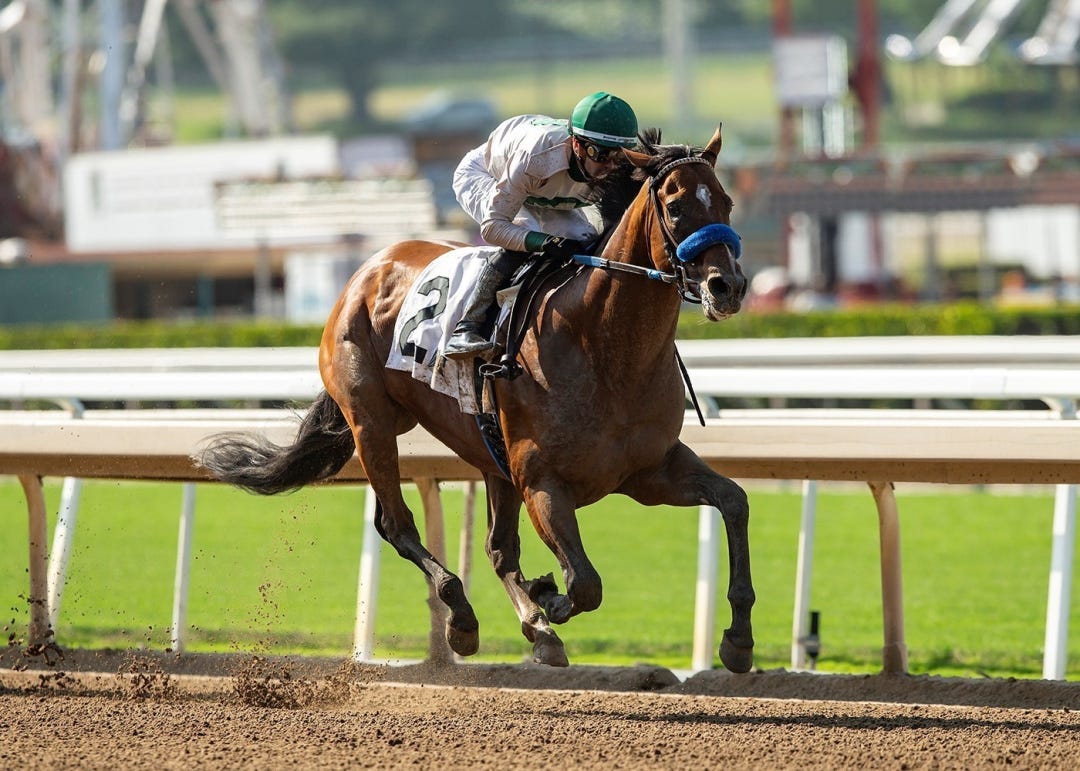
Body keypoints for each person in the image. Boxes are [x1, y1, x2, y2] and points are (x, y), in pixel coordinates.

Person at [442, 91, 639, 360]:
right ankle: (467, 326)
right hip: (487, 175)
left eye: (620, 156)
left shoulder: (615, 164)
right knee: (524, 230)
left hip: (543, 192)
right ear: (577, 144)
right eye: (602, 154)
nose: (611, 166)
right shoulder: (537, 157)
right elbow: (493, 227)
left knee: (586, 238)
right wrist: (544, 242)